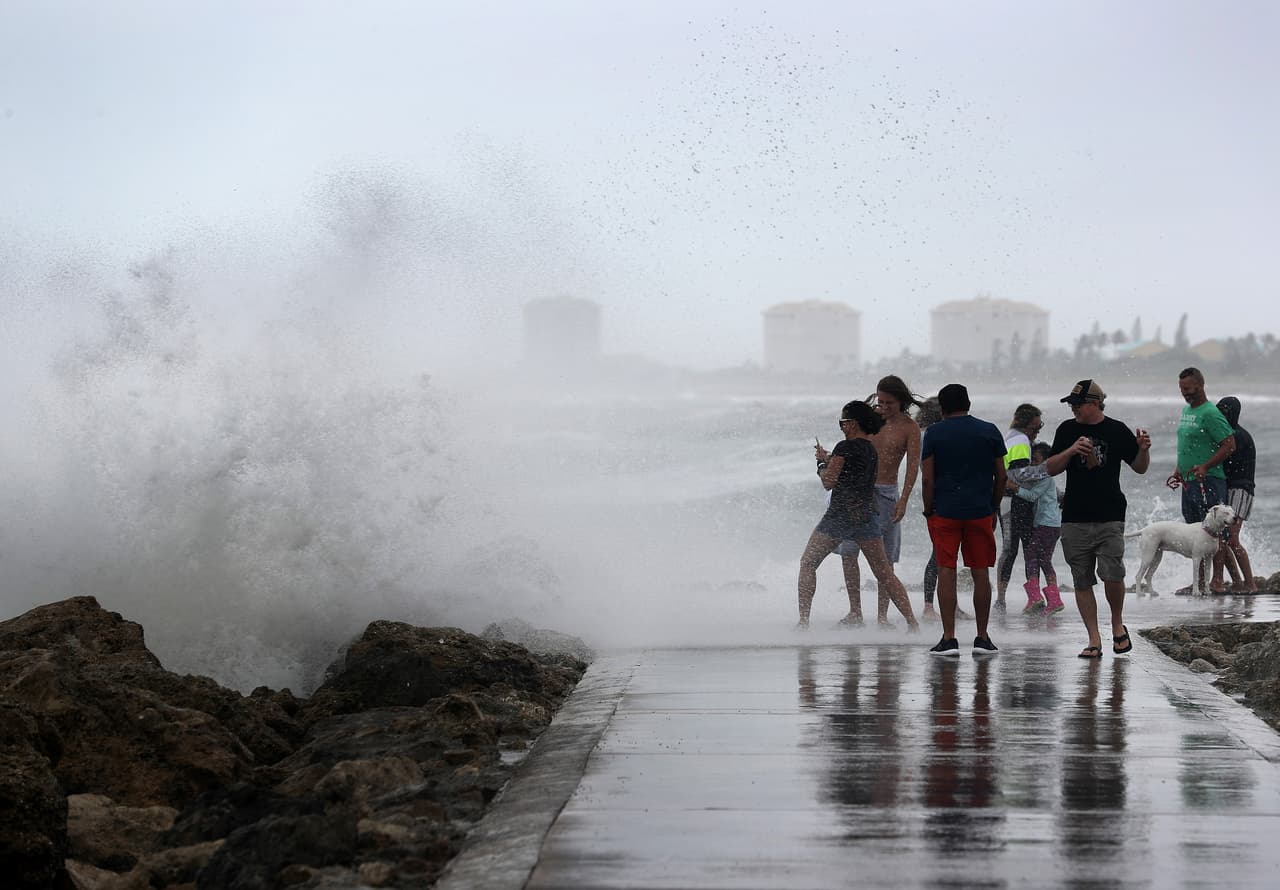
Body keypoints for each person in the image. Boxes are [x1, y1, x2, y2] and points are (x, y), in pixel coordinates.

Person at [1044, 379, 1151, 658]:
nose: (1073, 409)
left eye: (1077, 405)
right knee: (1081, 578)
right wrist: (1070, 451)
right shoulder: (1067, 430)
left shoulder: (1116, 430)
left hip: (1110, 513)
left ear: (1094, 404)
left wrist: (1143, 449)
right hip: (1074, 516)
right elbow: (1050, 469)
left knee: (1112, 574)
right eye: (1071, 405)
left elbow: (1139, 468)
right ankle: (1093, 638)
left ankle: (1117, 624)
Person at [797, 401, 918, 630]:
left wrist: (822, 465)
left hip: (839, 517)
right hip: (865, 517)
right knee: (885, 574)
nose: (841, 427)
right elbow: (851, 469)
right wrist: (830, 459)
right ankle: (912, 624)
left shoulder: (845, 447)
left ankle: (803, 622)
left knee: (808, 563)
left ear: (852, 424)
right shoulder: (869, 449)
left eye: (843, 422)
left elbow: (829, 482)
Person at [920, 383, 1006, 655]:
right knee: (981, 572)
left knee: (947, 570)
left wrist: (928, 508)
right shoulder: (989, 430)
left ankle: (949, 638)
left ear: (942, 408)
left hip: (945, 511)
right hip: (980, 511)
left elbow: (927, 477)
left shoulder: (934, 433)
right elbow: (1001, 476)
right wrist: (993, 506)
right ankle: (982, 637)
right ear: (968, 403)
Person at [837, 375, 924, 627]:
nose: (883, 408)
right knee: (848, 551)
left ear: (902, 401)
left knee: (885, 560)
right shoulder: (869, 420)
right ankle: (855, 612)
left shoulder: (909, 428)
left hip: (887, 494)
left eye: (889, 403)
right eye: (880, 401)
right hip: (857, 492)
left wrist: (904, 500)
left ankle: (883, 617)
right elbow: (848, 447)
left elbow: (912, 468)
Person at [1168, 367, 1235, 593]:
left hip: (1209, 481)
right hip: (1189, 480)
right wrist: (1179, 469)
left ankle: (1217, 580)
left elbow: (1229, 444)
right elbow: (1187, 444)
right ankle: (1199, 581)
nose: (1184, 393)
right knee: (1196, 532)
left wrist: (1206, 466)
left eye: (1187, 389)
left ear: (1200, 385)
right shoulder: (1187, 410)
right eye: (1181, 389)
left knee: (1216, 533)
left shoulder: (1210, 413)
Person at [995, 404, 1044, 613]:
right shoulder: (1021, 441)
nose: (1038, 431)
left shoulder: (1009, 436)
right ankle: (1022, 599)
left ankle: (1003, 598)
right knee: (1023, 550)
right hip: (1014, 502)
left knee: (1012, 550)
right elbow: (1019, 476)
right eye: (1036, 427)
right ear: (1026, 425)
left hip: (1007, 501)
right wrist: (1044, 474)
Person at [1210, 396, 1257, 592]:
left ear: (1233, 413)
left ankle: (1250, 584)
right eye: (1218, 409)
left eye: (1224, 410)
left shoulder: (1237, 436)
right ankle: (1236, 582)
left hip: (1241, 489)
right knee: (1221, 538)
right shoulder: (1227, 433)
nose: (1220, 414)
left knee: (1231, 538)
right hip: (1228, 488)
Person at [1013, 442, 1065, 616]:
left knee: (1031, 554)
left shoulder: (1046, 478)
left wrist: (1014, 488)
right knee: (1044, 560)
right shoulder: (1044, 479)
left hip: (1046, 524)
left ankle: (1036, 597)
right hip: (1051, 525)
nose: (1033, 465)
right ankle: (1054, 600)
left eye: (1035, 461)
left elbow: (1032, 495)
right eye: (1031, 461)